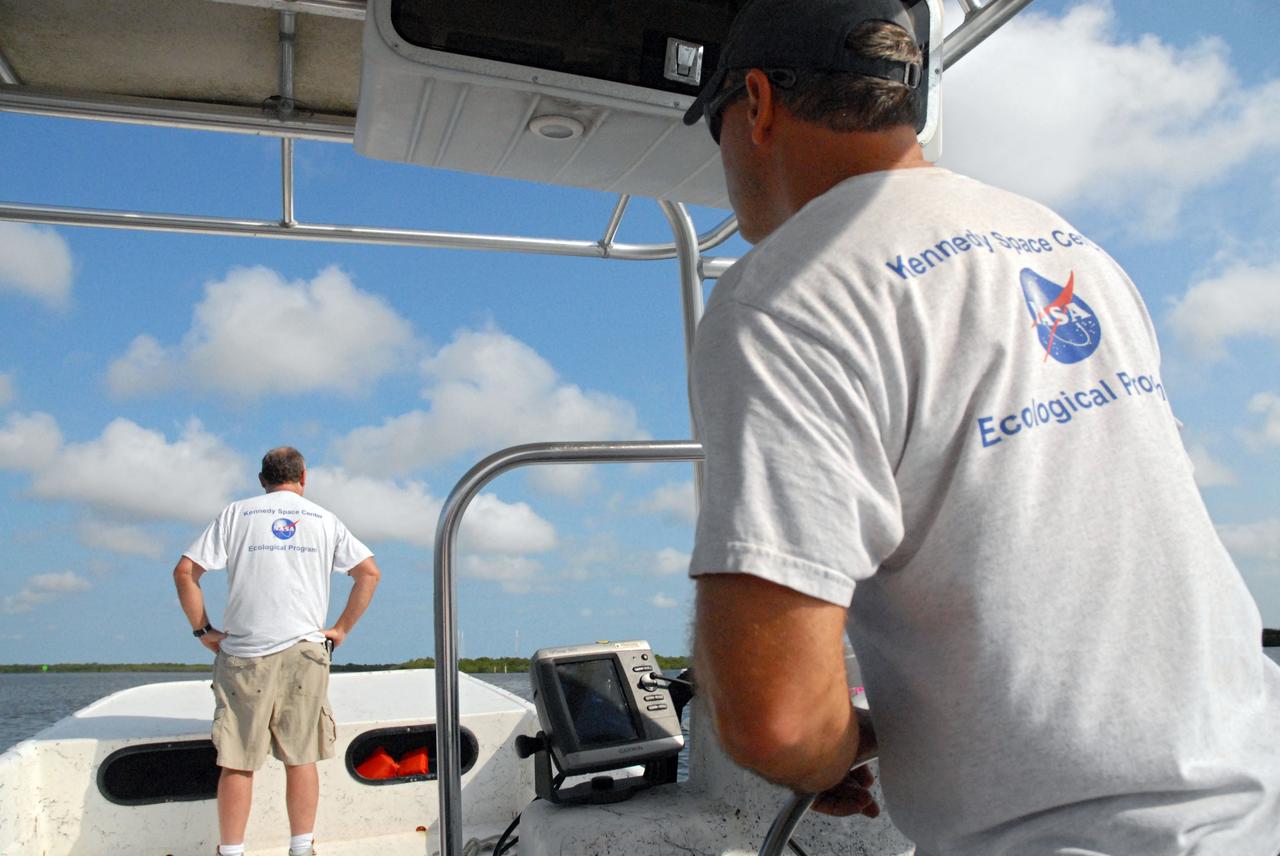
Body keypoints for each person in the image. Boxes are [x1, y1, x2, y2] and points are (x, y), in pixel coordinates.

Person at [681, 1, 1280, 854]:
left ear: (758, 104)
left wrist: (837, 750)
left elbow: (774, 720)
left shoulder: (782, 292)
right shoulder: (1069, 246)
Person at [173, 447, 382, 856]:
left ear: (261, 479)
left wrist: (203, 630)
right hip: (304, 652)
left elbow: (185, 572)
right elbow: (368, 573)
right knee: (301, 756)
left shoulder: (237, 514)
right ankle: (301, 848)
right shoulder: (324, 519)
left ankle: (231, 852)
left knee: (237, 760)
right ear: (304, 476)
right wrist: (339, 630)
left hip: (243, 654)